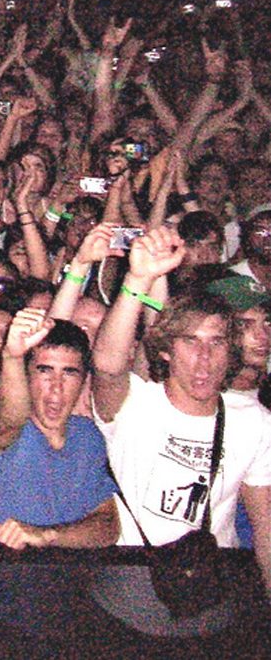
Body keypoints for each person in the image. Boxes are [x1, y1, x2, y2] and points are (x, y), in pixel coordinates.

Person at [90, 226, 271, 598]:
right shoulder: (137, 403)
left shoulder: (254, 422)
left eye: (216, 342)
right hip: (129, 591)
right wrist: (138, 280)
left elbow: (265, 527)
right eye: (191, 341)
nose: (204, 358)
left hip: (208, 596)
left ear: (231, 350)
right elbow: (108, 365)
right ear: (167, 350)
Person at [0, 309, 118, 547]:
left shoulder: (87, 436)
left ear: (84, 379)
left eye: (69, 372)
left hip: (66, 577)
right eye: (44, 371)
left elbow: (107, 525)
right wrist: (13, 358)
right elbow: (8, 423)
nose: (56, 388)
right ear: (26, 375)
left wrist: (46, 536)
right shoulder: (0, 429)